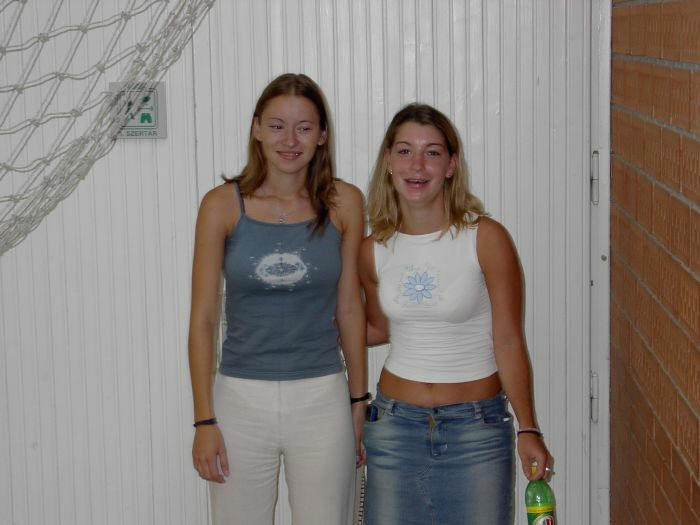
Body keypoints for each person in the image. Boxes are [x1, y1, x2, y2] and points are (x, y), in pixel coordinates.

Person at [359, 103, 553, 525]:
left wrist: (528, 427)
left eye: (432, 152)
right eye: (405, 151)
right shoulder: (372, 249)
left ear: (451, 165)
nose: (417, 165)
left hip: (477, 430)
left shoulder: (485, 237)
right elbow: (377, 328)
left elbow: (508, 339)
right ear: (388, 161)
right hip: (394, 427)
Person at [188, 73, 367, 525]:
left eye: (304, 127)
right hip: (240, 399)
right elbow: (203, 318)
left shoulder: (345, 202)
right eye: (277, 126)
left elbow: (350, 308)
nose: (290, 140)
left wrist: (358, 402)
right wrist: (204, 420)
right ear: (256, 129)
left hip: (322, 395)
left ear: (322, 135)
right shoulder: (221, 205)